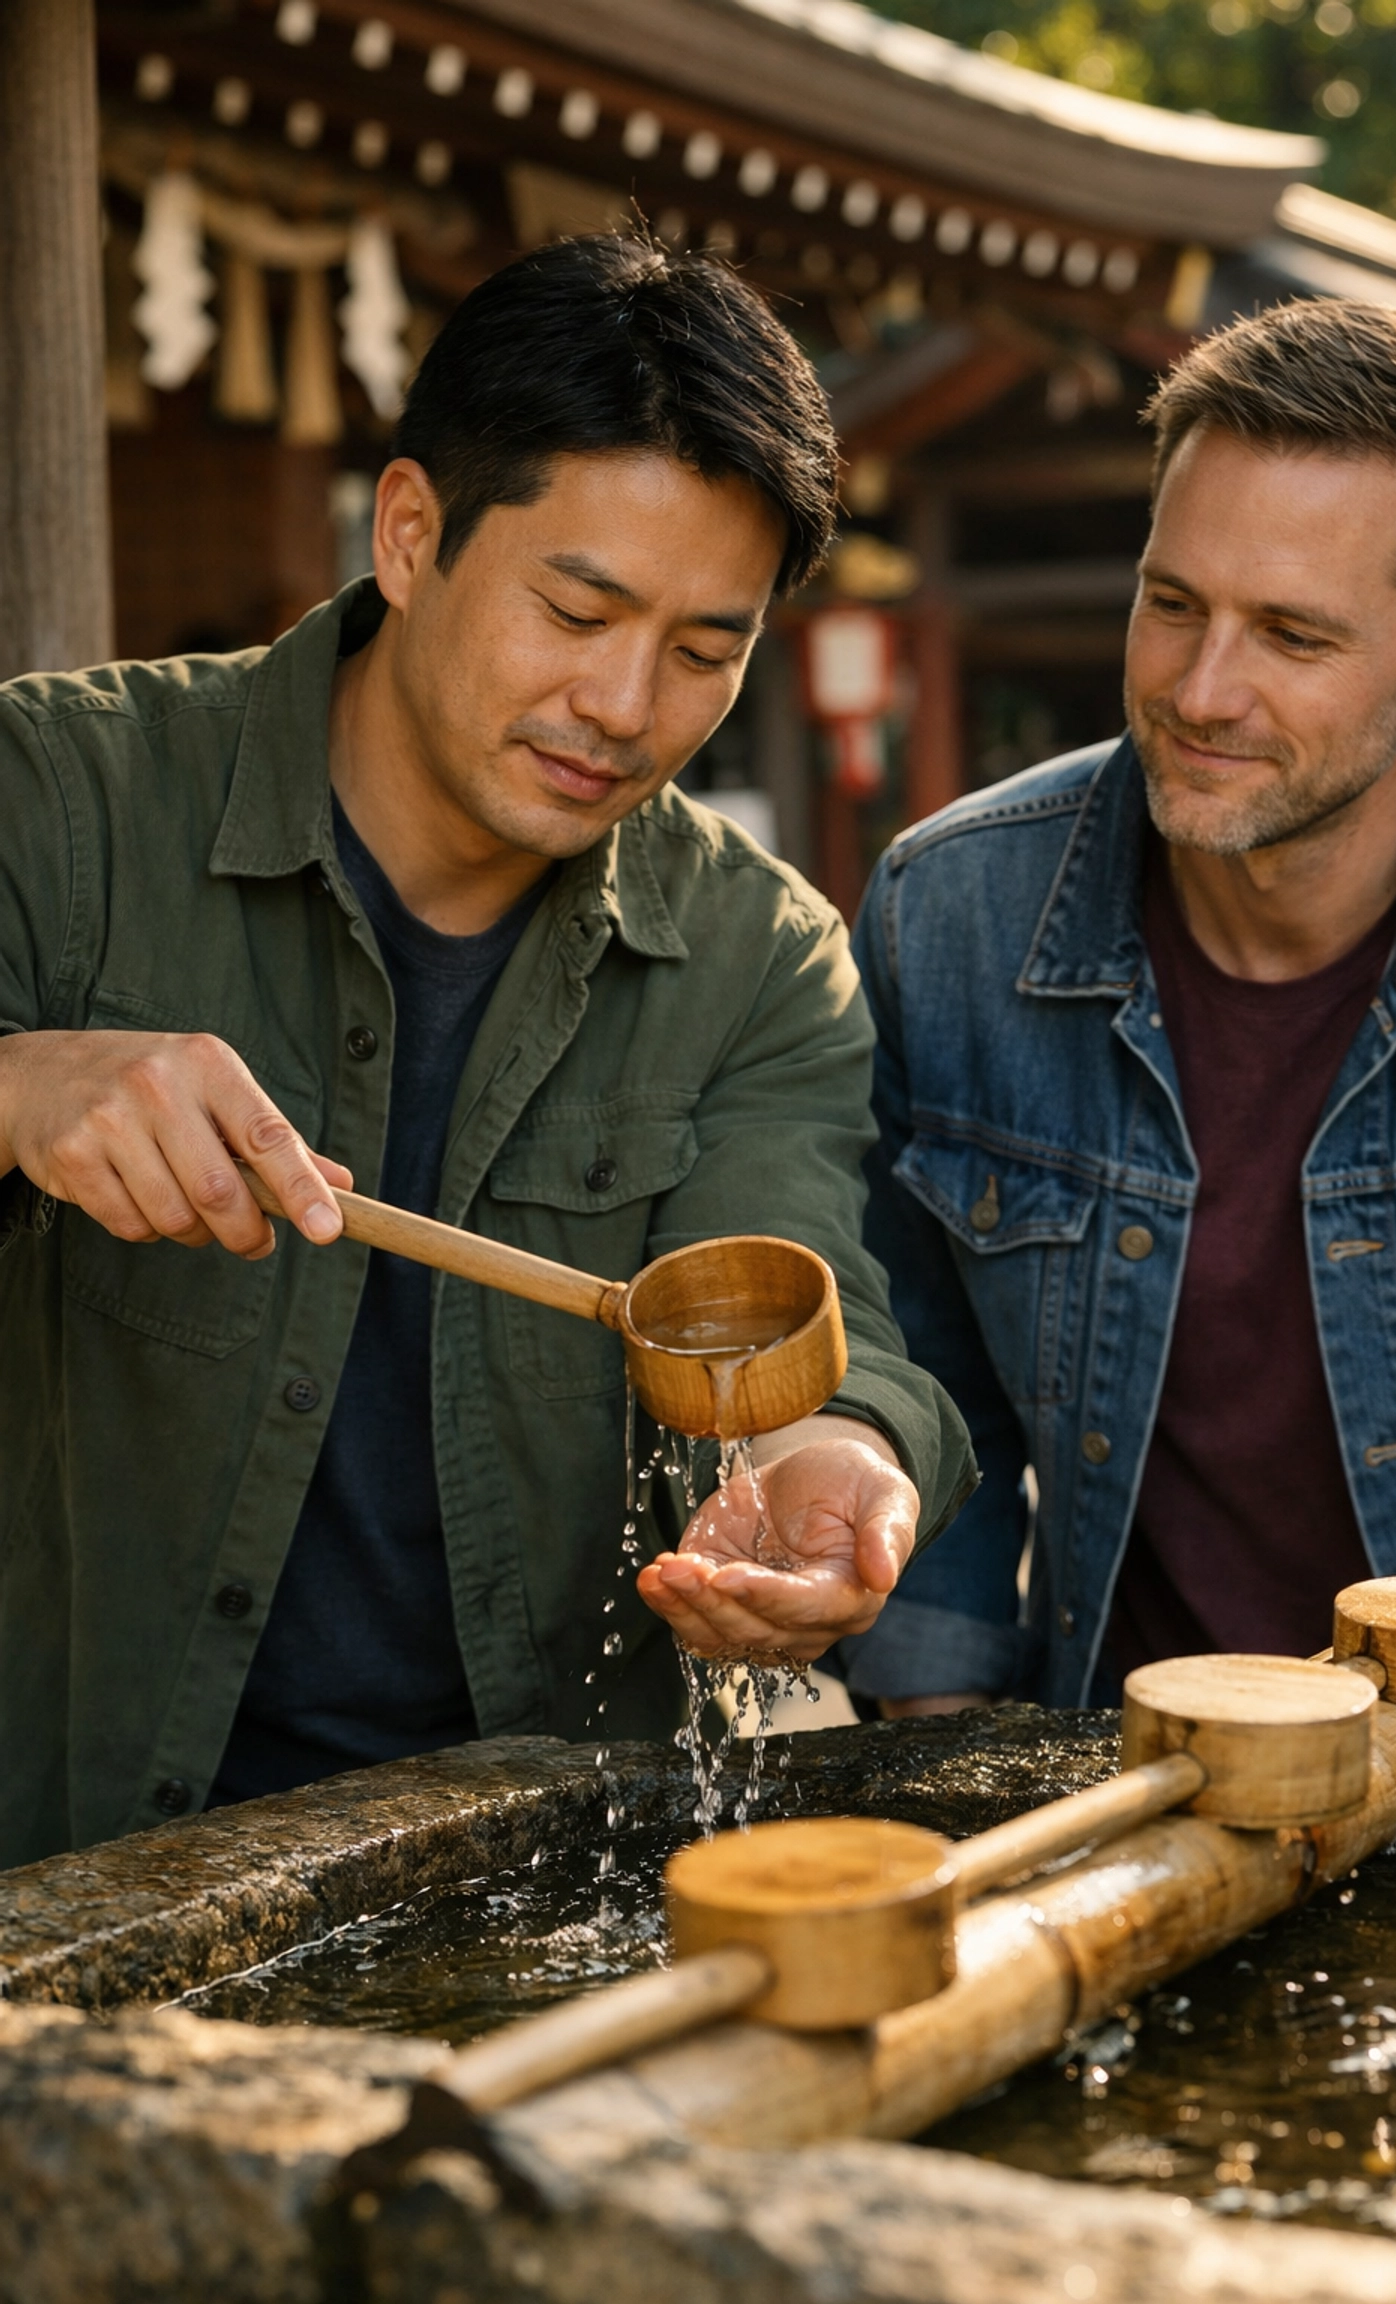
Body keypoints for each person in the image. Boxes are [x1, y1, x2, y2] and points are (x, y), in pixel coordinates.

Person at [0, 234, 973, 1867]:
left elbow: (793, 1285)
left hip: (530, 1895)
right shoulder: (62, 803)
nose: (620, 702)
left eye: (702, 651)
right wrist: (23, 1087)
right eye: (576, 608)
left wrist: (834, 1460)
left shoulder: (755, 955)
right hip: (62, 1857)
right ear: (408, 532)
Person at [843, 297, 1396, 1715]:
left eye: (1291, 634)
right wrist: (947, 1760)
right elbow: (934, 1390)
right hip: (1124, 1772)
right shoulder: (954, 916)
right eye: (1173, 604)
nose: (1200, 689)